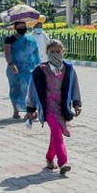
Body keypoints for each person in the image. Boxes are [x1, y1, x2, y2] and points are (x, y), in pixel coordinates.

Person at [25, 39, 81, 176]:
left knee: (55, 134)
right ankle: (63, 162)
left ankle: (50, 157)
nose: (55, 54)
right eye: (52, 52)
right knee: (56, 132)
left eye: (58, 51)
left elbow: (74, 87)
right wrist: (30, 109)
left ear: (63, 52)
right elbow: (32, 90)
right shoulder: (40, 70)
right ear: (47, 53)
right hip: (48, 107)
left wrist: (77, 103)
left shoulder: (69, 69)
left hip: (62, 107)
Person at [3, 19, 41, 118]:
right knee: (15, 88)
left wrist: (39, 65)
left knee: (28, 89)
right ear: (15, 28)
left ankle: (31, 110)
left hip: (29, 68)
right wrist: (11, 64)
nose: (22, 28)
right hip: (14, 68)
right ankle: (16, 110)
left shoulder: (31, 39)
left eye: (24, 26)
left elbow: (35, 52)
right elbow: (7, 53)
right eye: (19, 27)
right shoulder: (9, 39)